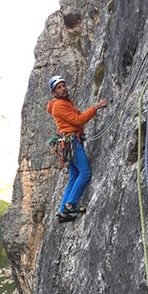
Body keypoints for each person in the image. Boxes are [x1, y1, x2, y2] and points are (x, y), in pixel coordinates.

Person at [47, 75, 108, 223]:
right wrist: (96, 107)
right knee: (85, 172)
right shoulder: (59, 105)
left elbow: (77, 116)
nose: (63, 89)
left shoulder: (65, 103)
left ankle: (63, 213)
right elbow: (78, 120)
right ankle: (70, 204)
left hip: (70, 141)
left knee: (74, 177)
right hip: (71, 141)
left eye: (63, 85)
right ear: (54, 92)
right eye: (59, 88)